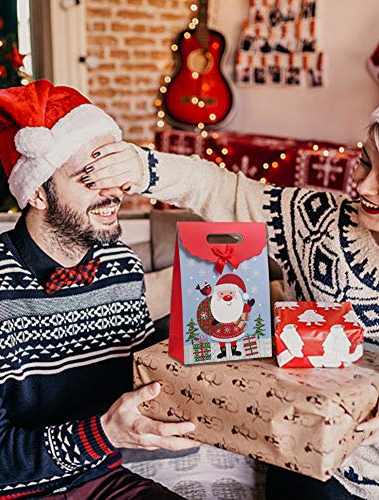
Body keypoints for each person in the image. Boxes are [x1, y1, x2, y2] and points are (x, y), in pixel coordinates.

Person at [0, 80, 200, 500]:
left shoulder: (120, 266)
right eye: (91, 178)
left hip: (95, 481)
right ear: (38, 192)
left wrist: (209, 333)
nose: (114, 194)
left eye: (114, 174)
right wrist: (104, 431)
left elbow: (139, 369)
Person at [84, 108, 379, 499]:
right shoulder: (318, 223)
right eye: (365, 162)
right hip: (315, 466)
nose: (365, 186)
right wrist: (140, 166)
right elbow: (218, 190)